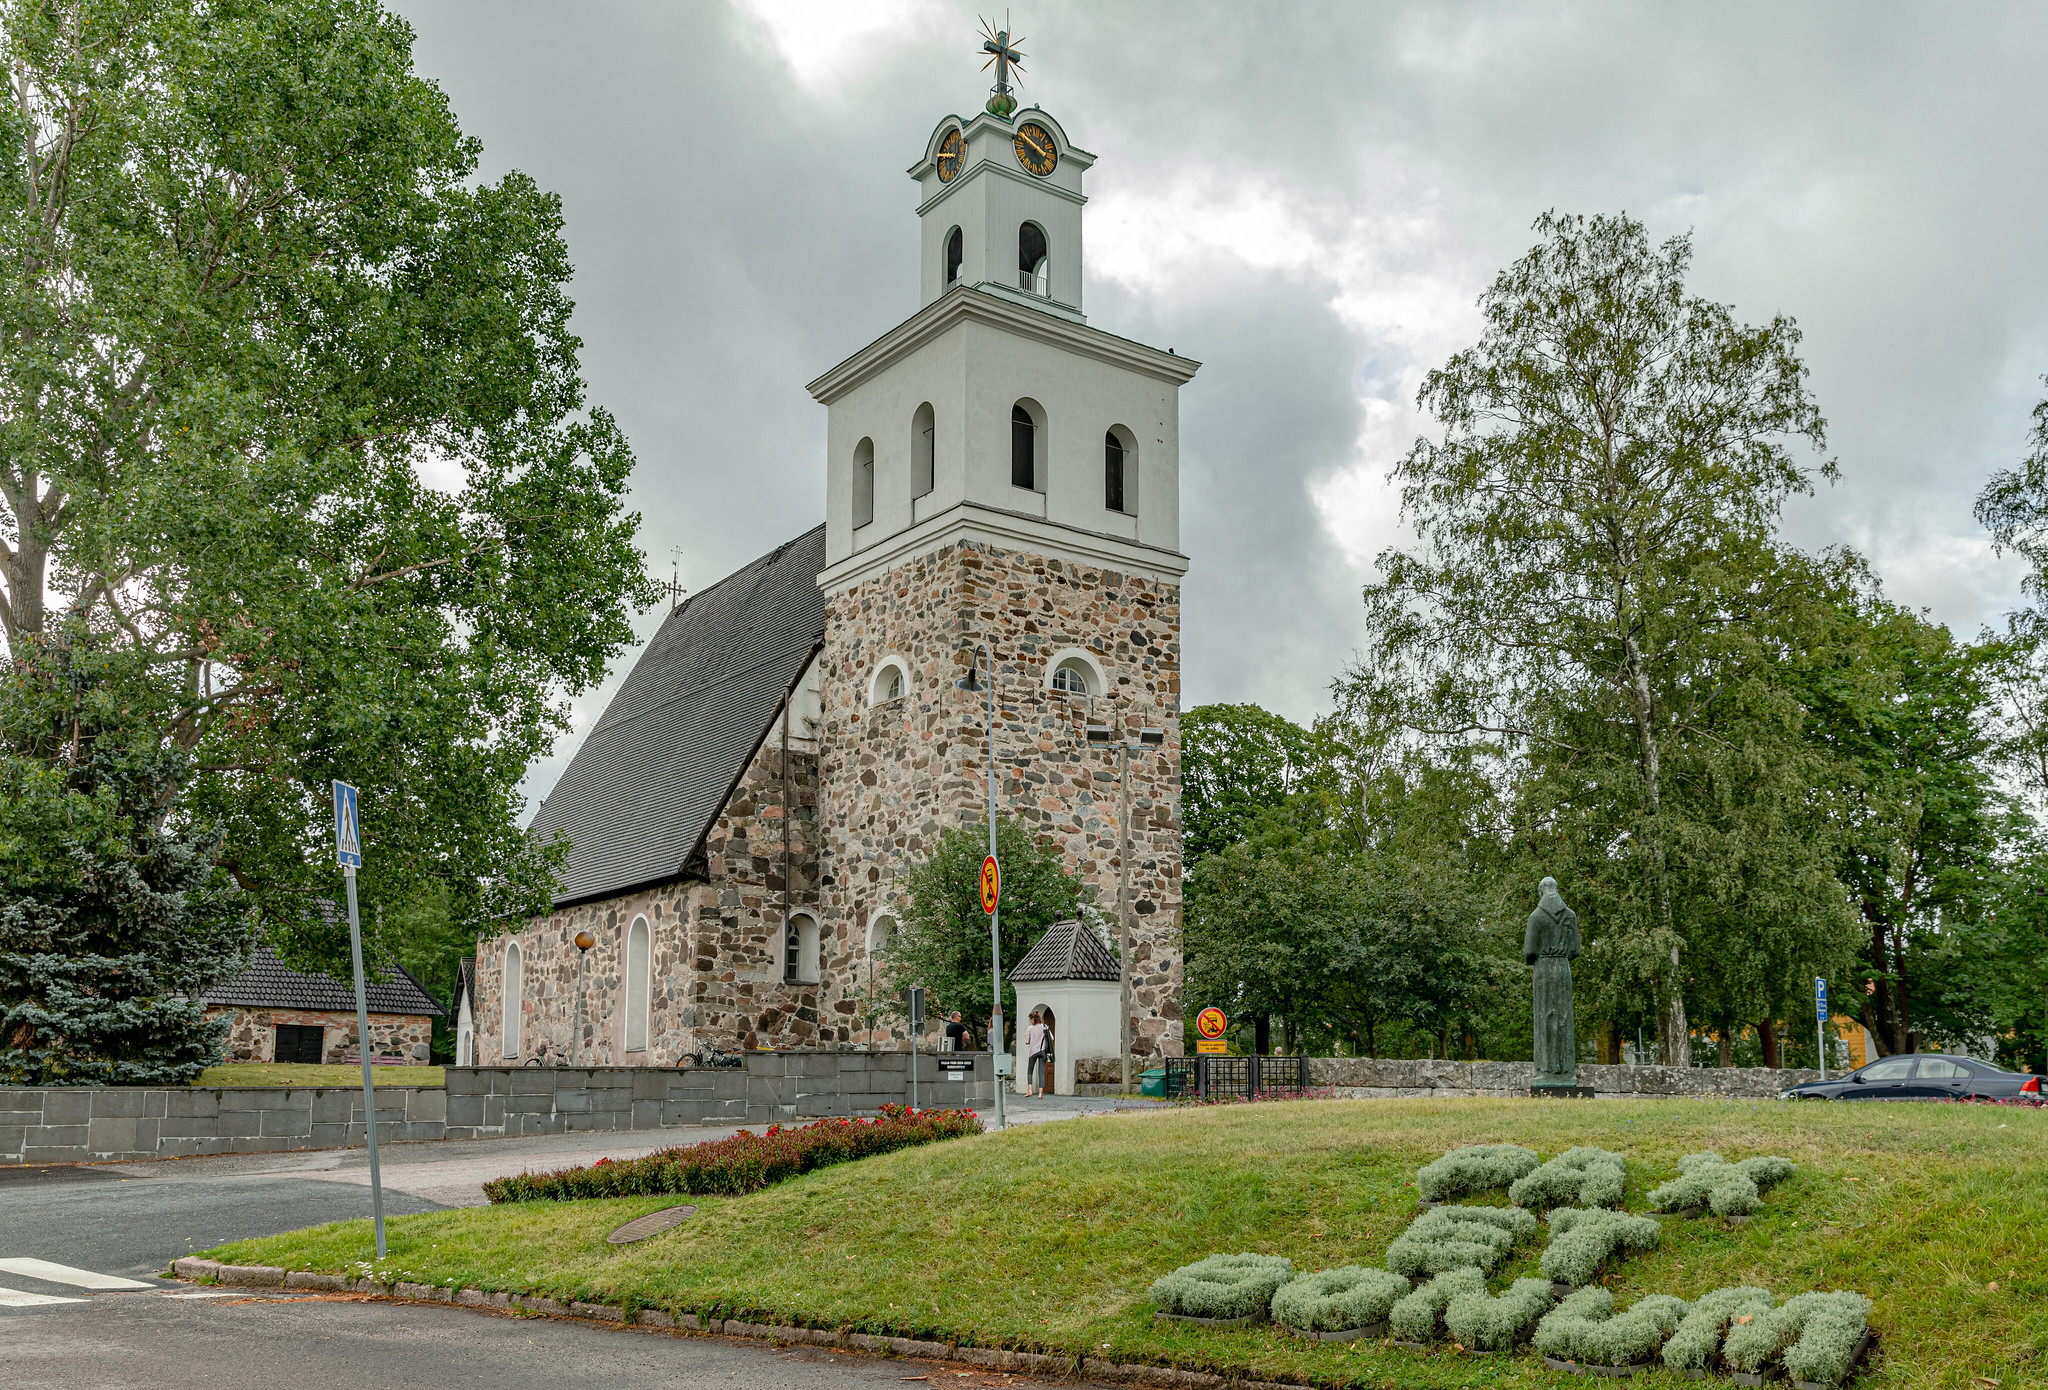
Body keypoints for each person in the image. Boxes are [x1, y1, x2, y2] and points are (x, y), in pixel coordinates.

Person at [1023, 1008, 1052, 1097]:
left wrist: (1027, 1037)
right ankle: (1040, 1093)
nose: (1030, 1021)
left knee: (1030, 1071)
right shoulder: (1044, 1026)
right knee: (1041, 1072)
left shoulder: (1030, 1028)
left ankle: (1030, 1091)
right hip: (1042, 1051)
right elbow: (1051, 1038)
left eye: (1030, 1019)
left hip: (1033, 1052)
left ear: (1033, 1019)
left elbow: (1027, 1041)